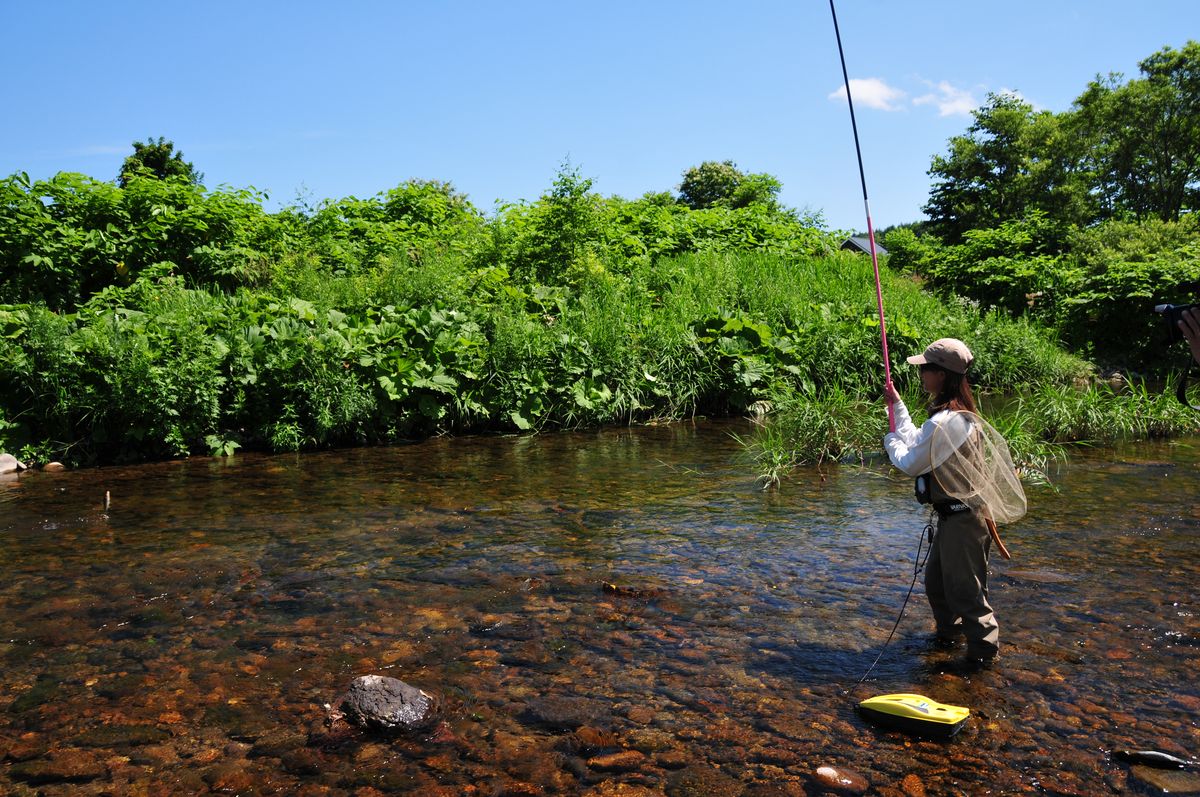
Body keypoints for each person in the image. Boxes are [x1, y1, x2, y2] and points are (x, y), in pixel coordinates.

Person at [882, 338, 1000, 671]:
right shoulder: (952, 417)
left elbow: (910, 461)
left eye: (925, 368)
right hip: (955, 519)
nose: (921, 373)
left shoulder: (948, 422)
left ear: (942, 375)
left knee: (967, 595)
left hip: (963, 522)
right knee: (936, 584)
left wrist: (890, 441)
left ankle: (981, 662)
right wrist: (898, 406)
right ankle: (949, 642)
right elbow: (920, 440)